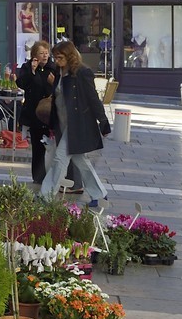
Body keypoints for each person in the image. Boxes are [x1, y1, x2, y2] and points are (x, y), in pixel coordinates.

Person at [42, 41, 112, 205]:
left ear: (70, 56)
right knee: (80, 159)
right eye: (55, 57)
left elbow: (93, 98)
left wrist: (103, 120)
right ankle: (99, 194)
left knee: (60, 158)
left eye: (60, 57)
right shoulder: (59, 72)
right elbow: (58, 98)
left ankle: (46, 195)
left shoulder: (82, 72)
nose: (57, 60)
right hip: (63, 121)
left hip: (77, 123)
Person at [15, 40, 58, 186]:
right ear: (34, 55)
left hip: (50, 112)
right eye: (41, 53)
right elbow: (21, 84)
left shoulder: (53, 68)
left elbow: (60, 88)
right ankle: (39, 177)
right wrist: (32, 72)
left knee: (53, 147)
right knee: (37, 146)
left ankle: (54, 176)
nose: (45, 56)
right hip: (34, 112)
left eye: (46, 53)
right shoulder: (27, 67)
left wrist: (53, 83)